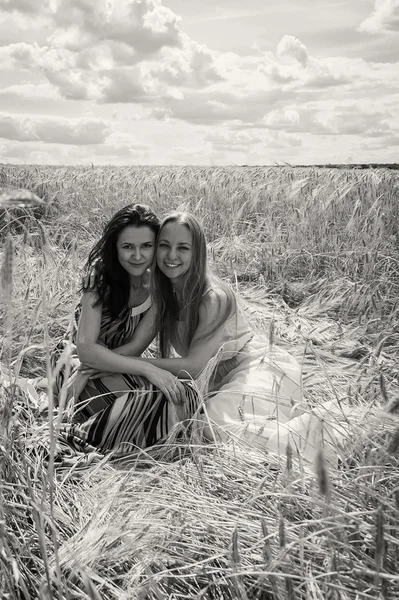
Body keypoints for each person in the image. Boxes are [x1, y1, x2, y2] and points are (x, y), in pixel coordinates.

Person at [80, 211, 362, 466]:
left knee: (217, 428)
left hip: (255, 367)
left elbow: (191, 367)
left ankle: (344, 434)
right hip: (213, 377)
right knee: (192, 423)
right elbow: (136, 348)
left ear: (198, 252)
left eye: (183, 248)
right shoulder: (163, 289)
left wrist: (129, 364)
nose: (171, 255)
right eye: (164, 245)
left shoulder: (212, 297)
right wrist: (102, 365)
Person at [50, 204, 198, 459]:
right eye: (128, 247)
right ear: (115, 247)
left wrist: (108, 364)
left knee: (185, 395)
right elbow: (85, 349)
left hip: (114, 365)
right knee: (153, 397)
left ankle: (106, 429)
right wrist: (149, 369)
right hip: (74, 366)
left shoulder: (160, 287)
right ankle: (78, 433)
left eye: (147, 246)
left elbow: (135, 347)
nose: (137, 256)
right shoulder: (99, 277)